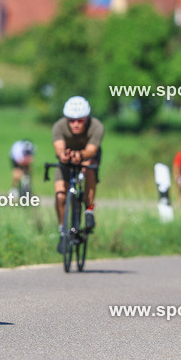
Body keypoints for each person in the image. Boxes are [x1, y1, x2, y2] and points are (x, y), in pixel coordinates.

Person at [52, 95, 103, 253]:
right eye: (71, 120)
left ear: (86, 118)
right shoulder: (59, 126)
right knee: (60, 195)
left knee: (88, 170)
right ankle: (62, 231)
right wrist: (63, 155)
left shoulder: (96, 126)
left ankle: (89, 210)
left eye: (80, 120)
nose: (75, 124)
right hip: (67, 160)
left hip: (88, 157)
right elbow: (59, 147)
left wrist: (80, 155)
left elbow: (92, 149)